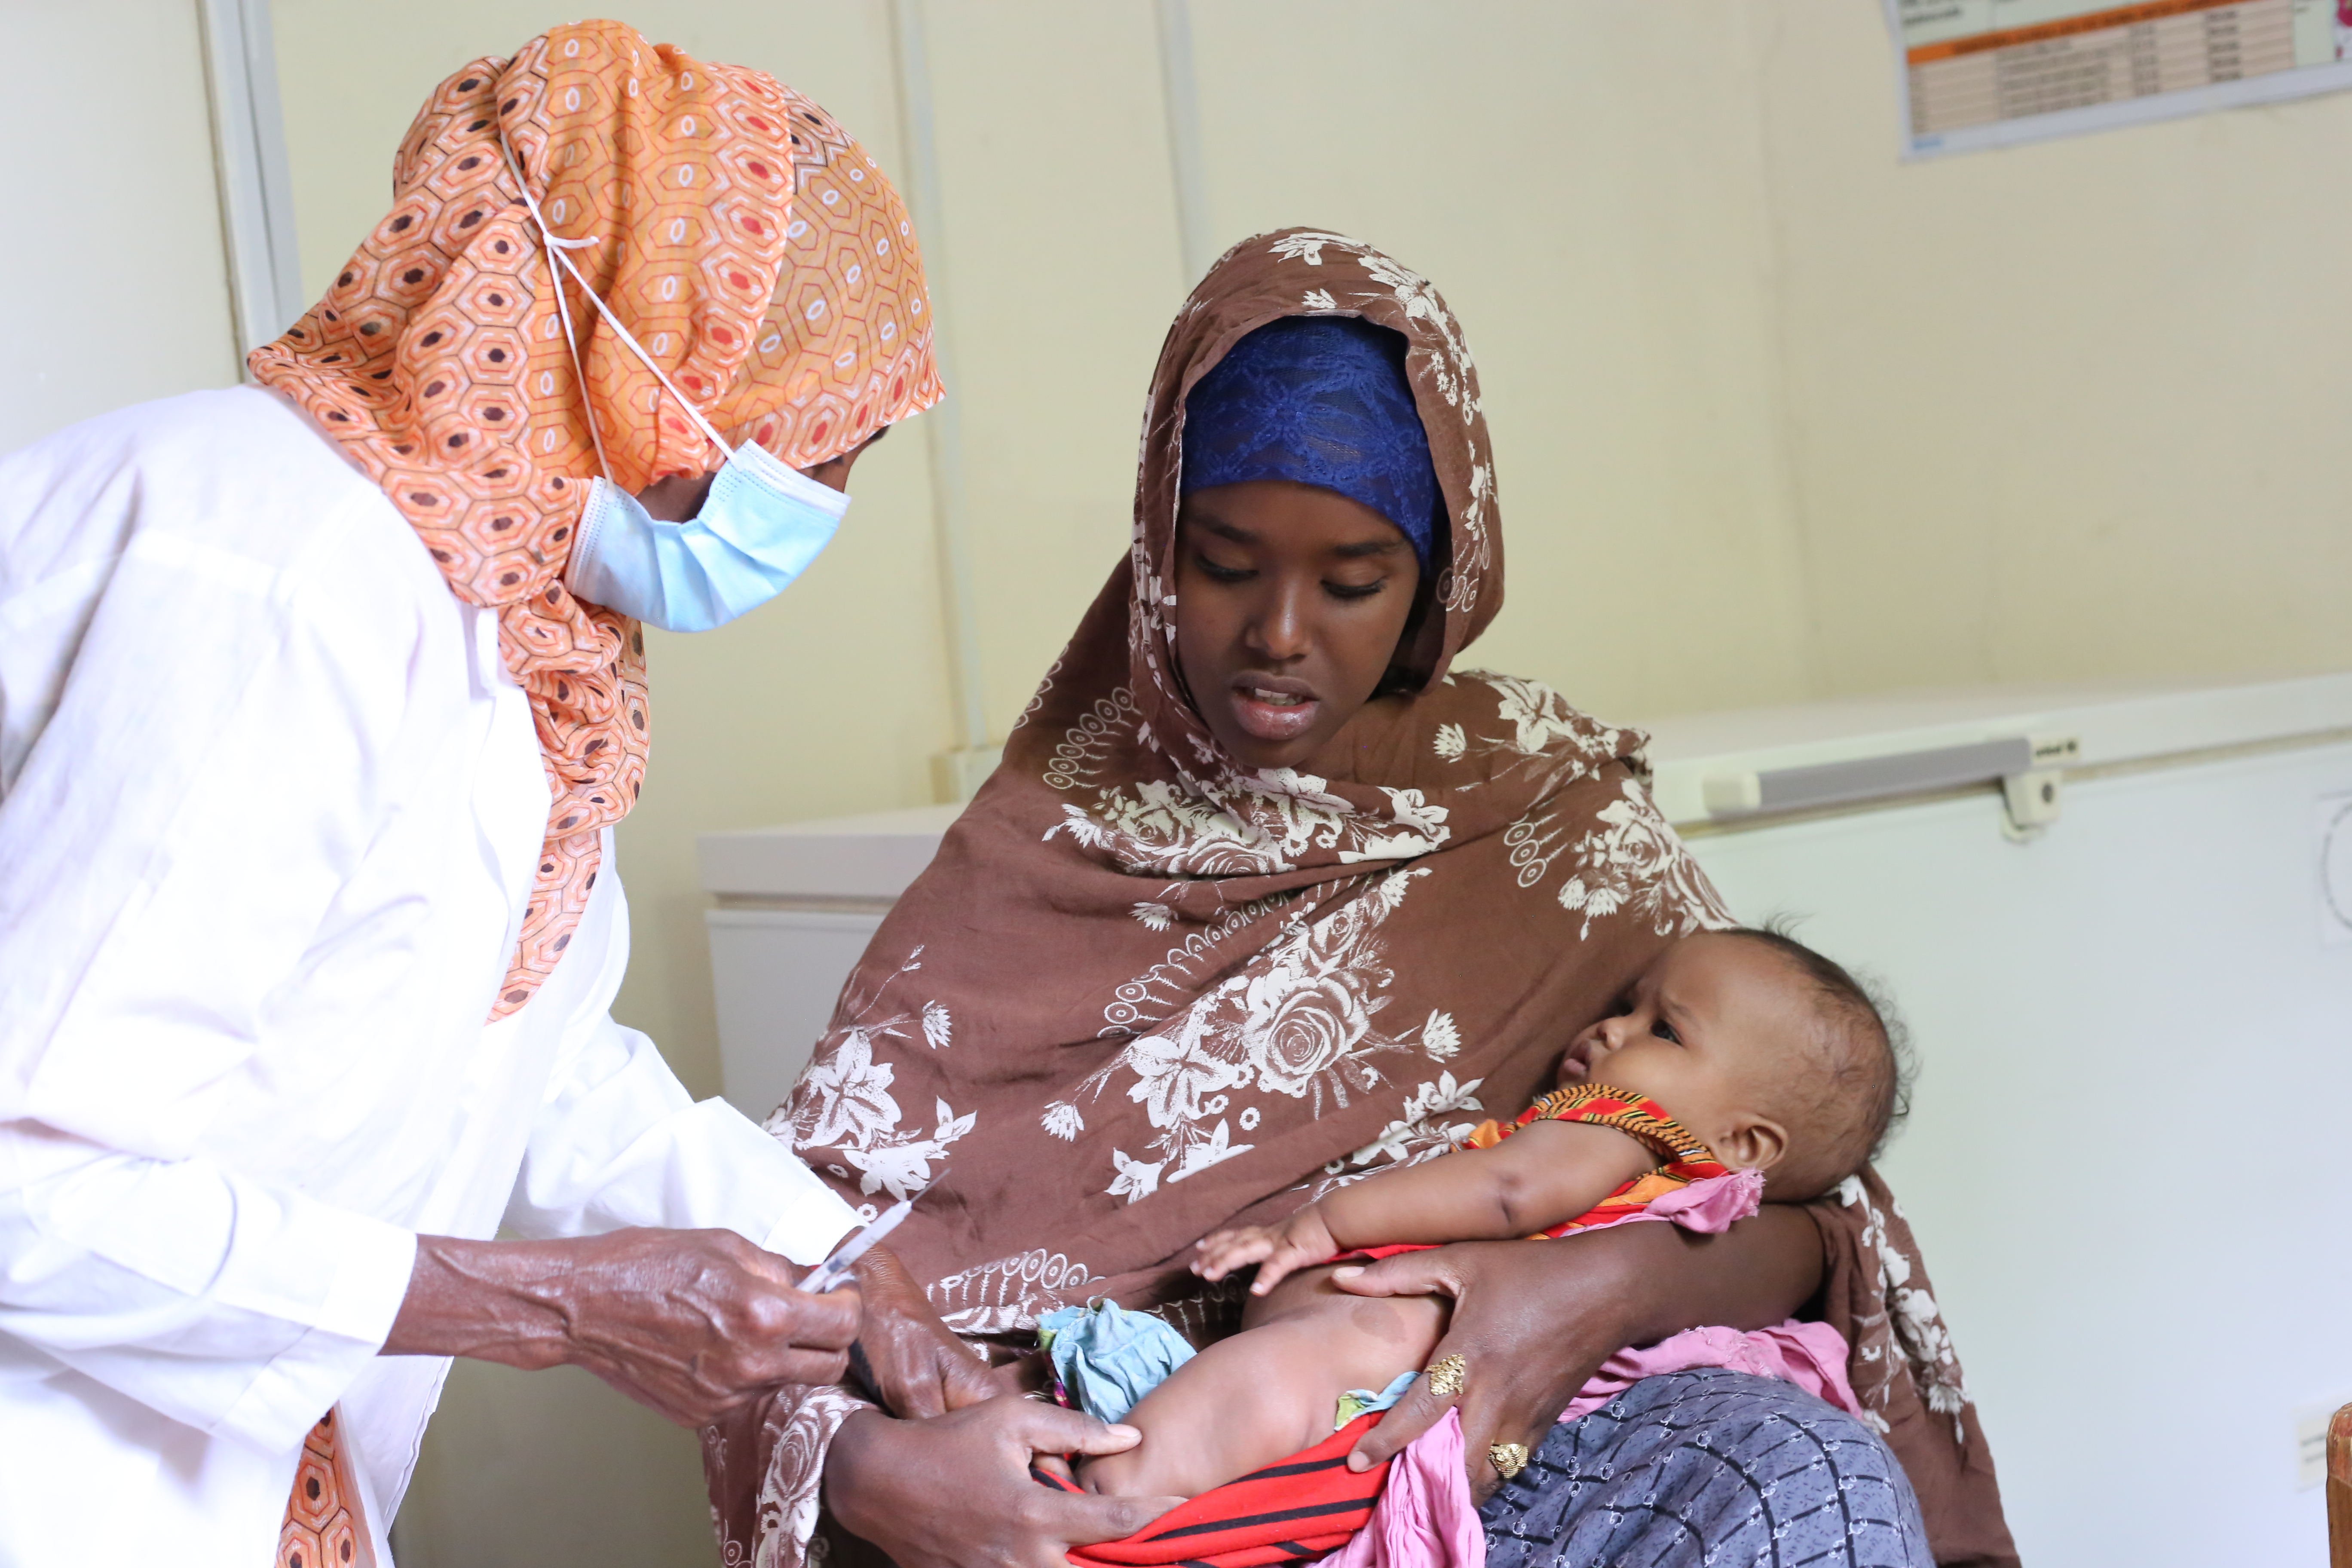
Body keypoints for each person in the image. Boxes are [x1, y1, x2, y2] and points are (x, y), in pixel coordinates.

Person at [707, 233, 2021, 1568]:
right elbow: (777, 1270)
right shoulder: (1037, 862)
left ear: (1440, 578)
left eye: (1353, 583)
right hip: (1168, 1496)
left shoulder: (1551, 822)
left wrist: (1590, 1281)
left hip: (1541, 1445)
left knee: (1804, 1478)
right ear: (1159, 541)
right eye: (1225, 563)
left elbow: (1803, 1198)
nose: (1283, 631)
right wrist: (877, 1472)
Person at [0, 22, 991, 1567]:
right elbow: (29, 1181)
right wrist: (560, 1307)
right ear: (654, 372)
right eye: (815, 444)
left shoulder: (519, 634)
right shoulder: (279, 566)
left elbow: (512, 1049)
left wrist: (837, 1266)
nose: (819, 503)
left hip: (230, 1469)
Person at [1078, 925, 1903, 1499]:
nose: (1614, 1028)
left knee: (1246, 1395)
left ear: (1747, 1144)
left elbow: (1509, 1194)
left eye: (1665, 1031)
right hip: (1386, 1370)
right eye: (1629, 1004)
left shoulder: (1620, 1132)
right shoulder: (1671, 1195)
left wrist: (1324, 1226)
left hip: (1390, 1344)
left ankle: (1117, 1489)